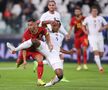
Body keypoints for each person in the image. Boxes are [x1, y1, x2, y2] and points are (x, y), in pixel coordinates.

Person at [7, 20, 74, 87]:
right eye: (53, 25)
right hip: (45, 48)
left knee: (60, 75)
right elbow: (43, 23)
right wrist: (50, 21)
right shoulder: (46, 29)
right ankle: (15, 49)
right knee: (34, 41)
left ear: (59, 27)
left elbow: (59, 48)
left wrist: (68, 52)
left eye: (55, 25)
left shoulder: (61, 36)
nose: (53, 26)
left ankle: (51, 83)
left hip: (54, 55)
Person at [9, 18, 53, 86]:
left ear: (35, 24)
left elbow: (47, 34)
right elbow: (24, 48)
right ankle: (18, 63)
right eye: (28, 25)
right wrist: (24, 60)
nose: (29, 27)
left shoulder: (41, 29)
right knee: (18, 63)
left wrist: (49, 43)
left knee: (40, 60)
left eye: (31, 25)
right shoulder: (26, 34)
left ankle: (39, 80)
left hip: (35, 51)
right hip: (26, 50)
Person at [82, 5, 108, 73]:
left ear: (97, 11)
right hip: (91, 37)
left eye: (95, 11)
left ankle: (96, 59)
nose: (94, 12)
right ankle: (100, 68)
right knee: (96, 52)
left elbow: (106, 25)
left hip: (100, 37)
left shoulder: (100, 18)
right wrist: (85, 31)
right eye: (93, 11)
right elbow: (83, 25)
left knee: (101, 54)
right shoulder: (88, 18)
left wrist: (102, 28)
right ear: (91, 11)